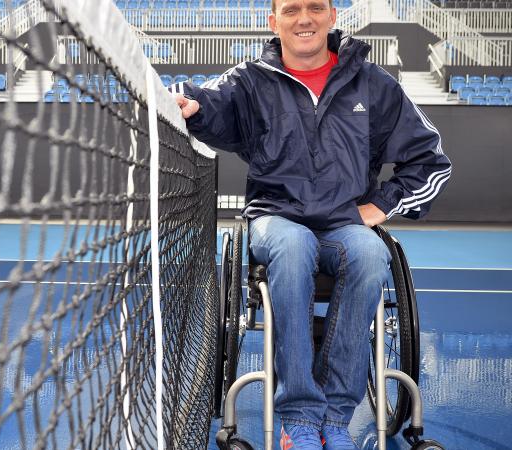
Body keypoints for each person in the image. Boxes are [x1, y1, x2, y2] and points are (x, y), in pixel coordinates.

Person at [173, 0, 452, 448]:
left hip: (345, 222)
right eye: (292, 9)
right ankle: (299, 417)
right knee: (294, 245)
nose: (304, 18)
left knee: (368, 252)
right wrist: (188, 105)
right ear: (273, 21)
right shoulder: (249, 81)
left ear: (332, 16)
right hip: (276, 218)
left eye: (315, 8)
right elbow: (208, 106)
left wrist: (380, 206)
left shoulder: (373, 83)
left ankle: (336, 417)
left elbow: (430, 162)